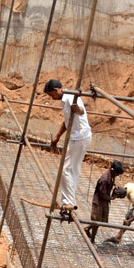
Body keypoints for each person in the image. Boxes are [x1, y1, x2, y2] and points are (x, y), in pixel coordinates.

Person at [44, 79, 92, 208]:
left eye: (51, 94)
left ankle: (69, 202)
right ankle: (69, 200)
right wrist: (58, 136)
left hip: (79, 137)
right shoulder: (66, 98)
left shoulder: (70, 98)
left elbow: (81, 111)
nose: (51, 97)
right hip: (81, 136)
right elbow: (67, 121)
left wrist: (78, 110)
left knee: (66, 170)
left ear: (56, 90)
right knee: (73, 169)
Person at [85, 160, 124, 243]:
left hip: (104, 202)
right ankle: (92, 241)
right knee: (96, 223)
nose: (117, 175)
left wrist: (115, 186)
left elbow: (111, 184)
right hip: (98, 202)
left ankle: (87, 229)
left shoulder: (111, 176)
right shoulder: (105, 179)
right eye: (117, 173)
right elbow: (102, 195)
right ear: (113, 170)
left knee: (100, 221)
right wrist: (112, 198)